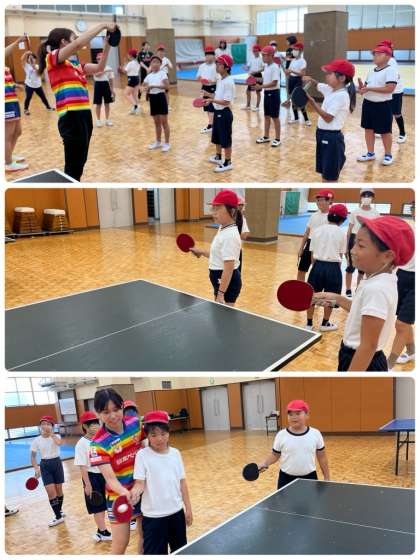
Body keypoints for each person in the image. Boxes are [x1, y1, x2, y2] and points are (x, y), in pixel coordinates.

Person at [314, 215, 415, 371]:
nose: (352, 250)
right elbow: (363, 310)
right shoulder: (377, 278)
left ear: (387, 256)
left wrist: (350, 380)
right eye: (355, 243)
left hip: (363, 361)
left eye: (360, 246)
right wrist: (338, 299)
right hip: (358, 356)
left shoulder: (376, 289)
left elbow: (368, 346)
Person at [37, 23, 117, 181]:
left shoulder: (76, 65)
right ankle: (70, 186)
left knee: (80, 162)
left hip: (84, 115)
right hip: (71, 116)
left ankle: (74, 183)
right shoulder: (52, 58)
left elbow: (99, 68)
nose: (76, 42)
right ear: (63, 42)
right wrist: (102, 25)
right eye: (73, 38)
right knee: (73, 166)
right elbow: (78, 44)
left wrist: (108, 45)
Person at [90, 388, 145, 554]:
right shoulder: (97, 444)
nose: (113, 416)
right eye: (106, 412)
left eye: (116, 409)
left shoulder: (135, 424)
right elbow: (110, 479)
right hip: (119, 497)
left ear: (122, 407)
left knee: (146, 536)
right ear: (98, 413)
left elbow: (146, 451)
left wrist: (140, 484)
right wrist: (125, 493)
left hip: (143, 490)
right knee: (121, 544)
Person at [133, 410, 193, 554]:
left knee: (180, 552)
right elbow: (139, 483)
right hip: (153, 518)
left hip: (176, 514)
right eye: (153, 435)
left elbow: (182, 483)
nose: (159, 439)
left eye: (163, 434)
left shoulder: (175, 454)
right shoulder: (142, 455)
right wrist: (134, 493)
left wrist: (188, 508)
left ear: (169, 432)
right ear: (147, 435)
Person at [304, 59, 356, 183]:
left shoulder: (341, 96)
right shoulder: (330, 89)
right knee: (325, 173)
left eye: (329, 73)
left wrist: (312, 102)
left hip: (332, 139)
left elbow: (328, 118)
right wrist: (311, 80)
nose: (326, 75)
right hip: (322, 134)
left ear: (342, 78)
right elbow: (318, 85)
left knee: (330, 177)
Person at [257, 400, 330, 489]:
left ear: (307, 415)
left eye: (298, 413)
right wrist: (265, 463)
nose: (293, 417)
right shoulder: (281, 435)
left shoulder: (315, 434)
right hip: (285, 479)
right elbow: (275, 455)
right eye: (290, 414)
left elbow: (322, 457)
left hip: (310, 478)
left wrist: (327, 477)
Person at [190, 190, 242, 306]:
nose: (213, 213)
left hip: (226, 283)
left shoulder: (230, 235)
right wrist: (201, 252)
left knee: (225, 315)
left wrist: (221, 293)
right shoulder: (223, 228)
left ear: (232, 211)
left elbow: (228, 268)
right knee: (219, 313)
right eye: (213, 208)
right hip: (220, 280)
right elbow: (218, 255)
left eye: (217, 208)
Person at [306, 204, 348, 332]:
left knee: (312, 295)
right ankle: (325, 323)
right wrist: (335, 271)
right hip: (333, 267)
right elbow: (340, 255)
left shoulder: (317, 231)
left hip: (317, 265)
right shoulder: (342, 233)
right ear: (342, 220)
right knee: (331, 297)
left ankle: (309, 324)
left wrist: (315, 268)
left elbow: (312, 254)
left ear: (329, 216)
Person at [357, 45, 398, 166]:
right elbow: (365, 88)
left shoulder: (391, 70)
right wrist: (361, 89)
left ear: (388, 56)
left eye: (379, 54)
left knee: (385, 131)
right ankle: (370, 153)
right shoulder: (371, 71)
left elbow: (390, 88)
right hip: (368, 104)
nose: (375, 56)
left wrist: (369, 88)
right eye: (374, 54)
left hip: (383, 105)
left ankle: (388, 155)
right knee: (368, 129)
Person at [74, 411, 112, 542]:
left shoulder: (102, 439)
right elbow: (82, 466)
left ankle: (100, 531)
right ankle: (103, 531)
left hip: (105, 475)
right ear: (85, 426)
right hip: (92, 477)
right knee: (98, 506)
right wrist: (88, 484)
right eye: (91, 424)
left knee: (107, 504)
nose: (95, 426)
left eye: (96, 422)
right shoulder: (81, 444)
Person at [388, 201, 415, 369]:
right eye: (413, 208)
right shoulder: (408, 228)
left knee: (402, 323)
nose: (414, 211)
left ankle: (388, 365)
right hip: (402, 275)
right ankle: (412, 351)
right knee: (404, 321)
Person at [30, 416, 65, 527]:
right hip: (45, 465)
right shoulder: (36, 440)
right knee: (51, 492)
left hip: (57, 463)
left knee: (59, 489)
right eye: (43, 424)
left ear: (52, 426)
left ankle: (59, 510)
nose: (45, 426)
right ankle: (58, 517)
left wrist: (52, 434)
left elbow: (59, 443)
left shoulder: (56, 436)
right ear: (40, 426)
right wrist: (36, 468)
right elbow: (33, 456)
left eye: (48, 424)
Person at [345, 189, 380, 297]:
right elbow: (349, 230)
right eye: (364, 195)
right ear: (360, 197)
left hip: (368, 240)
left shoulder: (376, 213)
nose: (366, 198)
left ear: (373, 198)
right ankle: (348, 289)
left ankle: (358, 289)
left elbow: (377, 230)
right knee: (350, 267)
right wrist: (346, 246)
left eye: (369, 196)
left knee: (362, 268)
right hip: (354, 239)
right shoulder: (355, 212)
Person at [204, 54, 235, 172]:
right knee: (217, 136)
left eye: (219, 64)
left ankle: (228, 162)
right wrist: (208, 96)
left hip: (225, 113)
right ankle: (218, 156)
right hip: (217, 112)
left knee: (225, 138)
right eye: (216, 63)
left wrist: (212, 100)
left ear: (226, 67)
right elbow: (218, 96)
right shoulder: (220, 79)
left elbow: (226, 101)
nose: (217, 65)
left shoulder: (229, 82)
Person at [297, 189, 334, 282]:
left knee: (317, 273)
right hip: (310, 244)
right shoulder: (314, 215)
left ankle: (314, 290)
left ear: (329, 201)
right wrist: (301, 248)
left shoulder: (332, 217)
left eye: (321, 200)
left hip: (322, 246)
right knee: (301, 270)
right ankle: (301, 289)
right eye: (317, 200)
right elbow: (307, 232)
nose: (318, 202)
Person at [5, 36, 29, 173]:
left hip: (12, 100)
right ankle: (8, 163)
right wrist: (17, 42)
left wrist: (15, 85)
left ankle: (8, 155)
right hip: (5, 104)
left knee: (17, 131)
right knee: (7, 134)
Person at [377, 40, 406, 144]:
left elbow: (392, 77)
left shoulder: (391, 61)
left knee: (396, 113)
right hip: (388, 90)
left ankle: (403, 134)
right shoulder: (382, 60)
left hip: (396, 91)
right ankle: (386, 131)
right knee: (386, 112)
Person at [142, 55, 170, 152]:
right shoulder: (149, 76)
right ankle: (158, 142)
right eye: (153, 62)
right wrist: (145, 89)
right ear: (150, 64)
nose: (155, 64)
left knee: (164, 122)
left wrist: (153, 86)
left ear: (160, 64)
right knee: (156, 122)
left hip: (161, 97)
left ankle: (167, 143)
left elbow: (167, 86)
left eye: (157, 62)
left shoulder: (163, 74)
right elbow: (143, 86)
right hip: (152, 99)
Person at [255, 46, 281, 147]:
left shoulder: (275, 67)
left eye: (264, 55)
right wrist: (256, 80)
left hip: (274, 94)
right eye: (262, 55)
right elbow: (266, 80)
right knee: (266, 116)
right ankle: (266, 137)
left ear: (271, 56)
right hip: (267, 93)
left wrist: (260, 86)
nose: (263, 57)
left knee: (275, 117)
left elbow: (274, 83)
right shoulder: (266, 67)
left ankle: (278, 139)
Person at [21, 50, 54, 116]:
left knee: (43, 97)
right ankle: (26, 109)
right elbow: (22, 59)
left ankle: (48, 107)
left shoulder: (38, 66)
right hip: (29, 85)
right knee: (28, 97)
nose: (31, 59)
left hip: (38, 85)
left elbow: (39, 74)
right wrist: (26, 53)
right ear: (28, 60)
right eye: (30, 58)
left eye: (33, 58)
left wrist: (33, 66)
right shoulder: (26, 66)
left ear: (35, 59)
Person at [285, 42, 310, 125]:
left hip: (298, 80)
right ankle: (296, 118)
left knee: (299, 100)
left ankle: (306, 119)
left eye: (296, 49)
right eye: (294, 49)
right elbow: (288, 71)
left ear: (301, 50)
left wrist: (291, 71)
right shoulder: (293, 61)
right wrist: (287, 72)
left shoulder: (303, 61)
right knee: (293, 100)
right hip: (291, 80)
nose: (294, 51)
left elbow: (302, 74)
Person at [196, 45, 217, 133]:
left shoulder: (216, 66)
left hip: (213, 88)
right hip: (204, 87)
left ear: (214, 55)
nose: (209, 56)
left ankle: (211, 125)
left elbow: (219, 79)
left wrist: (211, 81)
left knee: (212, 107)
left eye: (210, 54)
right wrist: (202, 80)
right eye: (207, 54)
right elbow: (198, 77)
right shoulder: (202, 66)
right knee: (207, 108)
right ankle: (211, 123)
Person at [93, 51, 114, 127]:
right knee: (98, 103)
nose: (99, 60)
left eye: (100, 59)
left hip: (106, 85)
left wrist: (112, 90)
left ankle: (107, 120)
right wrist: (105, 70)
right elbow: (96, 75)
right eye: (98, 59)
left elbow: (111, 79)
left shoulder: (109, 67)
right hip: (98, 85)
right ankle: (98, 120)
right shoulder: (94, 67)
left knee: (107, 103)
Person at [242, 44, 264, 111]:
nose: (254, 52)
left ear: (259, 51)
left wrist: (255, 72)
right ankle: (248, 106)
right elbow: (248, 67)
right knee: (248, 91)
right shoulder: (251, 57)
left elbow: (263, 68)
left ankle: (257, 107)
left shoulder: (261, 58)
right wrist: (245, 67)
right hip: (251, 76)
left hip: (258, 75)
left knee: (258, 92)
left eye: (256, 51)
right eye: (253, 51)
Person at [122, 48, 141, 115]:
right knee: (134, 95)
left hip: (132, 79)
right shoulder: (137, 62)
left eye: (128, 54)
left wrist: (124, 64)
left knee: (126, 93)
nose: (127, 56)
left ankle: (135, 106)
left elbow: (124, 71)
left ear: (130, 55)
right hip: (137, 78)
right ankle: (136, 108)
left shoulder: (130, 63)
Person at [156, 45, 173, 109]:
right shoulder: (155, 59)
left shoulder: (166, 59)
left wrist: (167, 65)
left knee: (166, 91)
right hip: (157, 76)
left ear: (164, 52)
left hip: (165, 76)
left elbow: (171, 67)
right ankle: (159, 105)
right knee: (158, 91)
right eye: (160, 51)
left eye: (162, 51)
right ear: (157, 52)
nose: (161, 52)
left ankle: (167, 105)